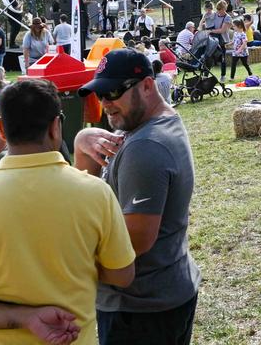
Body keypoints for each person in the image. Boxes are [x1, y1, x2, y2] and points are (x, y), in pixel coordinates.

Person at [0, 78, 136, 344]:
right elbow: (122, 274)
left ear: (1, 128)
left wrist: (24, 317)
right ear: (56, 126)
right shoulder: (97, 193)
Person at [73, 50, 201, 344]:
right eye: (99, 94)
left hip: (140, 310)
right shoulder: (151, 124)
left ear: (146, 85)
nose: (105, 103)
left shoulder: (145, 146)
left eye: (113, 92)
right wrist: (81, 144)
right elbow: (87, 191)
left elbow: (135, 242)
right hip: (160, 296)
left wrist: (71, 265)